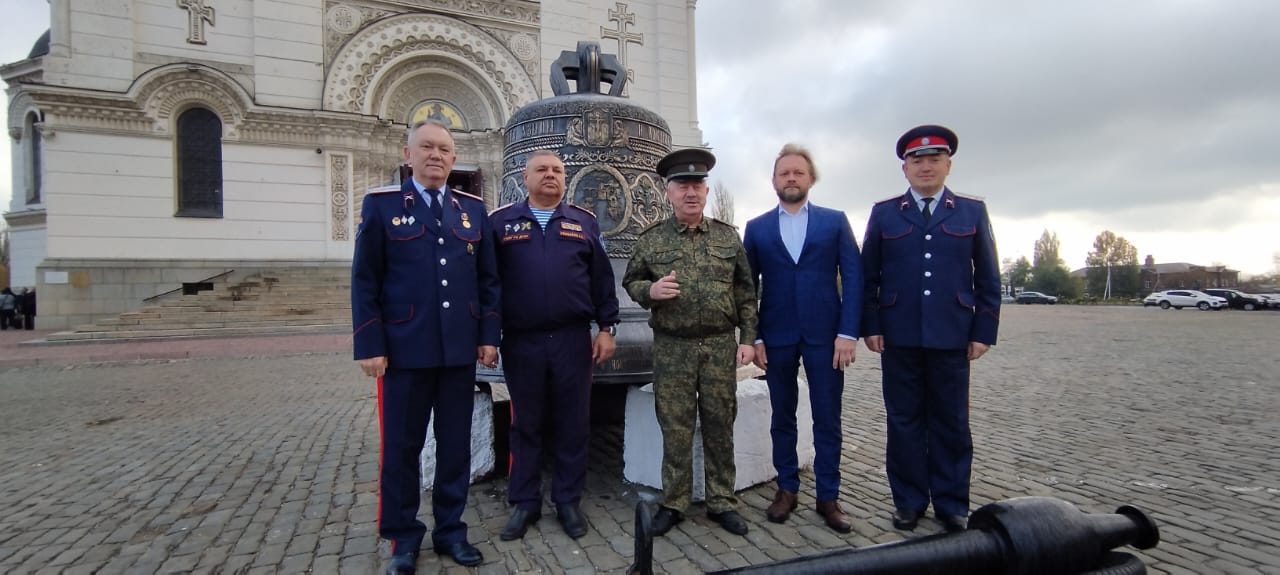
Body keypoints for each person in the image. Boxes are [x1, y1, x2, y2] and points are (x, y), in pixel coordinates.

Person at [351, 119, 500, 572]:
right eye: (427, 147)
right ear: (408, 153)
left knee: (455, 448)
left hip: (457, 352)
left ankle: (451, 532)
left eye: (444, 149)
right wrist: (369, 344)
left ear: (454, 158)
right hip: (404, 351)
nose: (436, 155)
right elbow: (365, 280)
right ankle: (402, 538)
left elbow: (488, 281)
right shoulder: (382, 206)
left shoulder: (473, 211)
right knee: (402, 449)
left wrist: (488, 338)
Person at [860, 125, 1001, 533]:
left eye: (934, 158)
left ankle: (952, 503)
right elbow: (870, 277)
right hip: (898, 334)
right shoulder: (885, 213)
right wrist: (871, 325)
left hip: (952, 335)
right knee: (903, 421)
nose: (925, 166)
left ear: (948, 165)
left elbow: (989, 277)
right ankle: (908, 501)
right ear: (904, 168)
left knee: (951, 422)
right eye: (916, 160)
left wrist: (982, 331)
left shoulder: (971, 211)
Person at [622, 148, 758, 537]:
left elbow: (746, 293)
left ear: (706, 190)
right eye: (682, 185)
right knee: (676, 428)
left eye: (697, 184)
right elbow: (631, 281)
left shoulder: (728, 237)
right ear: (669, 191)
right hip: (672, 349)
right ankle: (675, 502)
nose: (691, 192)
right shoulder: (652, 240)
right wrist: (651, 290)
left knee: (720, 426)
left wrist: (747, 339)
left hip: (718, 346)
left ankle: (721, 501)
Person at [489, 150, 620, 541]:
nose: (550, 175)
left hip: (571, 339)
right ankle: (524, 502)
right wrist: (487, 336)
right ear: (524, 178)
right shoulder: (501, 223)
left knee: (573, 423)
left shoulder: (583, 223)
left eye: (557, 170)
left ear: (565, 179)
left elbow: (602, 279)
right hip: (521, 340)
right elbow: (490, 284)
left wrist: (607, 327)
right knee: (525, 423)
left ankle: (567, 500)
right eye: (541, 170)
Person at [742, 143, 862, 533]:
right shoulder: (757, 228)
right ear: (774, 180)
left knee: (828, 417)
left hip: (827, 337)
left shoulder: (834, 222)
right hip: (776, 337)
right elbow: (747, 287)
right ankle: (787, 489)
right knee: (782, 416)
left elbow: (855, 279)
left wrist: (847, 332)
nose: (790, 178)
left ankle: (828, 496)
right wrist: (755, 337)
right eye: (783, 173)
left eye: (798, 172)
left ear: (811, 178)